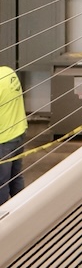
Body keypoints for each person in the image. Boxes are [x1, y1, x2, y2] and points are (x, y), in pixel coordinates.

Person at [0, 64, 27, 205]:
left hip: (3, 140)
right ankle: (22, 210)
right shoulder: (9, 73)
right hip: (19, 133)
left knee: (1, 182)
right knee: (16, 177)